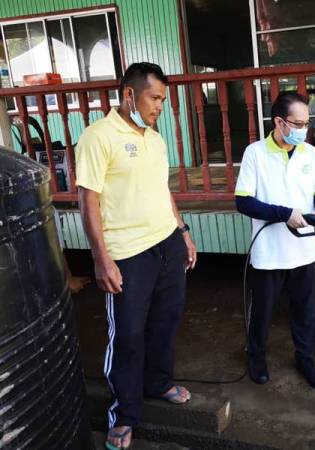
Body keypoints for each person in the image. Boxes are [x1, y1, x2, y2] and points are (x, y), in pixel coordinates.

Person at [76, 62, 197, 450]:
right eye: (155, 97)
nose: (160, 105)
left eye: (163, 98)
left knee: (166, 320)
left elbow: (164, 191)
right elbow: (88, 199)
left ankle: (159, 382)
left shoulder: (155, 138)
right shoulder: (98, 137)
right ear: (130, 95)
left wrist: (183, 232)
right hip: (127, 254)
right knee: (127, 335)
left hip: (167, 243)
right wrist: (100, 258)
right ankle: (124, 413)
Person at [235, 92, 315, 390]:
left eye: (307, 123)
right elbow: (244, 202)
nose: (304, 129)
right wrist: (284, 214)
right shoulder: (255, 154)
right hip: (268, 254)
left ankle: (305, 359)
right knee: (262, 312)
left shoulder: (309, 154)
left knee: (306, 313)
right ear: (278, 122)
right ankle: (256, 358)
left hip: (303, 252)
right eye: (297, 123)